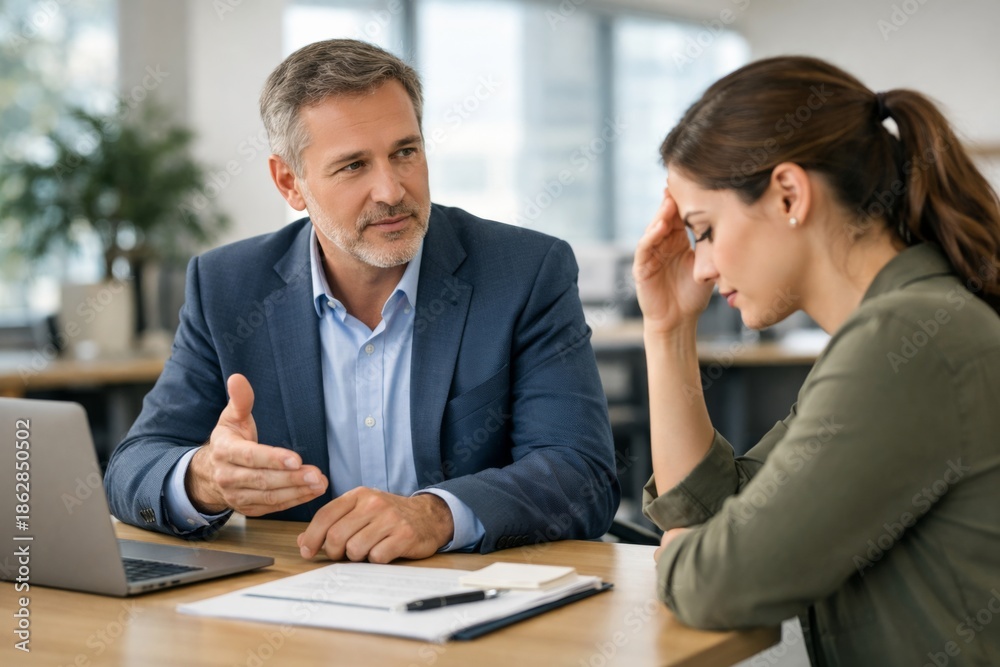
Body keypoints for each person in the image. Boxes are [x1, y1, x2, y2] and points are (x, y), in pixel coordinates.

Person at [104, 39, 619, 563]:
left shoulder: (525, 271)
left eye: (405, 153)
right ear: (290, 182)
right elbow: (132, 467)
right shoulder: (228, 286)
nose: (391, 191)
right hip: (296, 591)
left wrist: (436, 515)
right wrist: (205, 479)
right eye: (353, 166)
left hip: (474, 590)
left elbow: (582, 475)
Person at [633, 55, 1000, 666]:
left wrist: (683, 552)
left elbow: (719, 582)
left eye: (706, 230)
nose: (701, 266)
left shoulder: (906, 340)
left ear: (788, 194)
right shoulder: (894, 331)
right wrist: (669, 328)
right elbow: (720, 510)